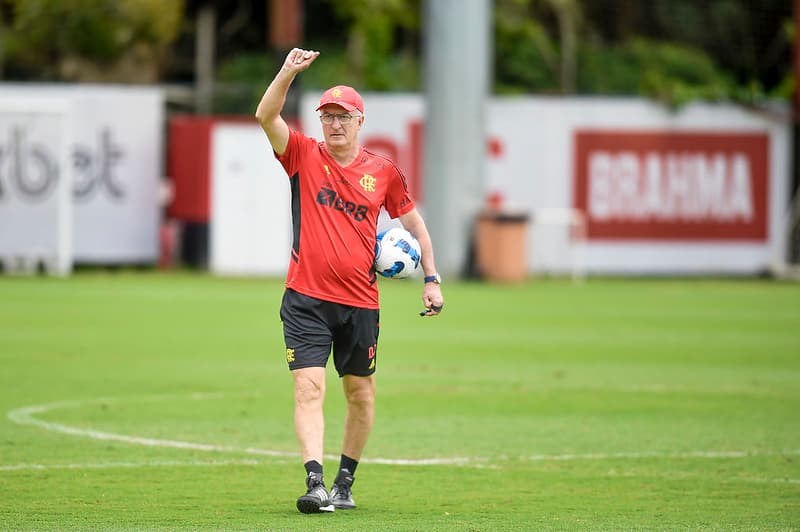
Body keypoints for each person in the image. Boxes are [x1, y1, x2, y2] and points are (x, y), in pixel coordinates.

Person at [255, 48, 445, 514]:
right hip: (305, 299)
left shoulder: (382, 173)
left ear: (360, 121)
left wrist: (432, 277)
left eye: (344, 116)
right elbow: (265, 115)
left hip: (360, 303)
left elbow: (415, 226)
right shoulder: (301, 154)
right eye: (328, 116)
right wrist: (288, 72)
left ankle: (344, 482)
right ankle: (314, 482)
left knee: (360, 392)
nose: (335, 124)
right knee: (308, 388)